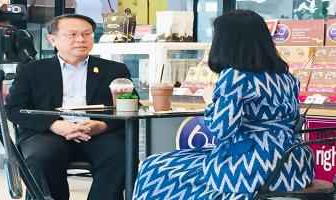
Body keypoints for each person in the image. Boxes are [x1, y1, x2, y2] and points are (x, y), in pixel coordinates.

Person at [132, 10, 314, 199]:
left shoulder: (234, 76)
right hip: (294, 163)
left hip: (253, 165)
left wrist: (211, 100)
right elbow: (293, 121)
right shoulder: (287, 77)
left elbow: (221, 129)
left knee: (153, 166)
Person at [6, 14, 134, 200]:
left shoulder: (114, 70)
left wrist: (102, 125)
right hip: (48, 133)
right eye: (72, 34)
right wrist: (54, 124)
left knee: (121, 155)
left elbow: (131, 107)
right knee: (41, 156)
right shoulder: (32, 70)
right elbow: (15, 109)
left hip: (97, 133)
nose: (81, 39)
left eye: (87, 34)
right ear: (53, 39)